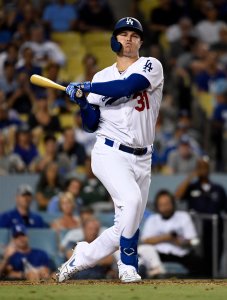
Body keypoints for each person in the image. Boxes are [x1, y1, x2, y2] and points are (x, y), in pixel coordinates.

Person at [56, 17, 164, 283]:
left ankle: (82, 255)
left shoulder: (150, 65)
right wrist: (83, 103)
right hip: (109, 153)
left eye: (134, 35)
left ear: (140, 41)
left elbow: (127, 86)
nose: (128, 39)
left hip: (143, 157)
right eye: (123, 34)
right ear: (114, 39)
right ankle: (127, 265)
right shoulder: (101, 76)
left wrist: (87, 89)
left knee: (125, 225)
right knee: (132, 202)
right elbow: (91, 125)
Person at [175, 156, 227, 276]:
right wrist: (191, 177)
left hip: (215, 233)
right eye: (200, 167)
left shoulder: (218, 189)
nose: (202, 169)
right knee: (197, 263)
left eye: (204, 167)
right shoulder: (192, 187)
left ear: (209, 169)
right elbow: (177, 196)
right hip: (195, 233)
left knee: (213, 263)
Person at [141, 190, 203, 277]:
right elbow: (146, 240)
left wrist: (175, 239)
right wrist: (166, 237)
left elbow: (192, 241)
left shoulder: (183, 216)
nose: (165, 208)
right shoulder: (152, 219)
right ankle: (156, 273)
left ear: (173, 204)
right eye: (161, 205)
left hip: (180, 254)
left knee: (198, 262)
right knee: (143, 253)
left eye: (167, 204)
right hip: (159, 254)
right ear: (157, 206)